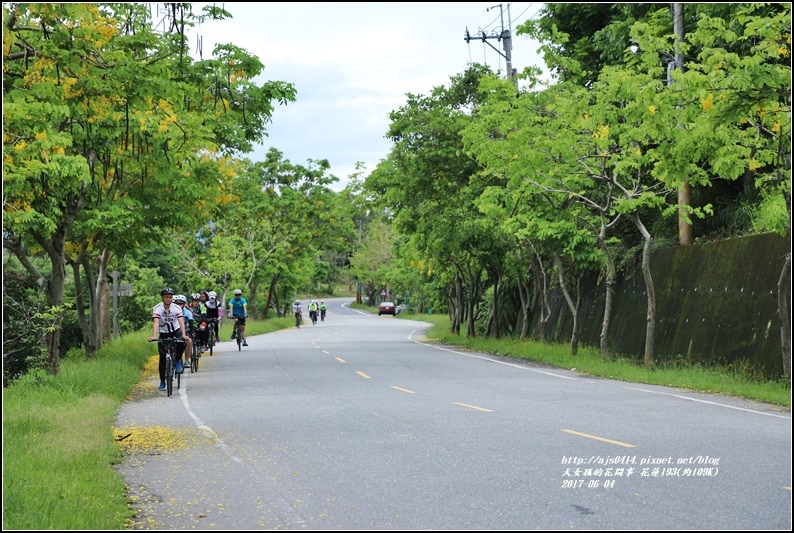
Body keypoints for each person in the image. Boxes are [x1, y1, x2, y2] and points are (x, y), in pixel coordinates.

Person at [148, 287, 189, 390]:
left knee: (182, 342)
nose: (168, 299)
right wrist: (154, 336)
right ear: (162, 298)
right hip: (163, 332)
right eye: (166, 297)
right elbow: (156, 322)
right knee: (162, 359)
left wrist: (183, 334)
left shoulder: (176, 308)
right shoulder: (157, 308)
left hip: (175, 330)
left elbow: (180, 321)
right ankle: (162, 381)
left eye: (170, 297)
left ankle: (178, 359)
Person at [174, 295, 194, 367]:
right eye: (177, 304)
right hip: (174, 331)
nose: (179, 305)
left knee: (189, 341)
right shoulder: (170, 311)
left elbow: (191, 323)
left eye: (181, 304)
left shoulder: (187, 312)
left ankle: (186, 361)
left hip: (185, 330)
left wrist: (192, 333)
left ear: (184, 304)